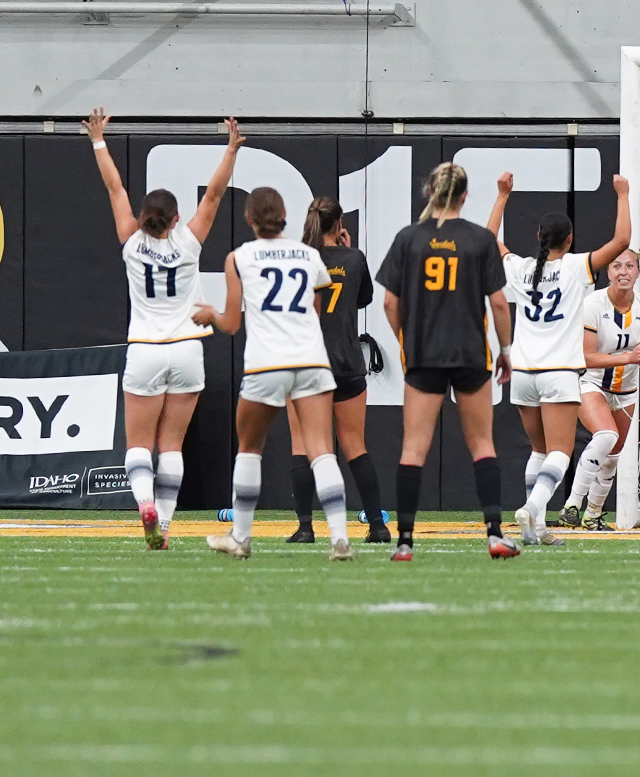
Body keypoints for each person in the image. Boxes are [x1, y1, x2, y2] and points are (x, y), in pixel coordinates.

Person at [85, 109, 242, 551]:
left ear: (143, 217)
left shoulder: (131, 243)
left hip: (146, 348)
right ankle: (166, 528)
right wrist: (231, 149)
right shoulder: (188, 243)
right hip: (188, 348)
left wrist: (98, 140)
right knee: (172, 446)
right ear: (175, 220)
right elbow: (214, 195)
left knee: (139, 445)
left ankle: (145, 505)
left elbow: (114, 187)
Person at [194, 188, 351, 561]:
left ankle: (240, 537)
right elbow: (314, 310)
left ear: (249, 219)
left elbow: (232, 324)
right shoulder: (310, 256)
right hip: (311, 359)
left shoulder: (239, 258)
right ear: (284, 215)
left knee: (249, 448)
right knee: (321, 450)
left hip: (267, 362)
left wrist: (210, 314)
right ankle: (340, 540)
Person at [375, 162, 517, 561]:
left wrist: (405, 340)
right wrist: (506, 351)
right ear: (465, 196)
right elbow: (499, 303)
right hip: (470, 352)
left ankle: (405, 541)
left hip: (424, 354)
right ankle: (494, 535)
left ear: (430, 192)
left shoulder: (409, 238)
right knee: (482, 444)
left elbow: (389, 302)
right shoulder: (479, 239)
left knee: (413, 448)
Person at [488, 171, 632, 548]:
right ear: (570, 240)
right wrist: (622, 194)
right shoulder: (574, 267)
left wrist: (502, 196)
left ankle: (535, 529)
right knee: (560, 452)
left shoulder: (522, 268)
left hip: (522, 372)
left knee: (539, 450)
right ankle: (532, 508)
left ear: (538, 236)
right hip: (559, 373)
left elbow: (489, 241)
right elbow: (622, 241)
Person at [287, 197, 389, 544]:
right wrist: (347, 252)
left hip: (308, 362)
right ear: (339, 224)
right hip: (346, 362)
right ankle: (377, 525)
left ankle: (305, 527)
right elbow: (362, 299)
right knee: (355, 446)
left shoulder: (301, 259)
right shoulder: (353, 258)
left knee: (302, 446)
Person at [557, 246, 640, 530]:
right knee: (605, 435)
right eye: (617, 266)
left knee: (612, 457)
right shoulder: (593, 304)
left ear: (638, 272)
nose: (623, 272)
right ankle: (571, 506)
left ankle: (592, 515)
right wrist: (628, 357)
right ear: (608, 272)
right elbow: (586, 357)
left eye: (629, 266)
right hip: (592, 383)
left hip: (626, 391)